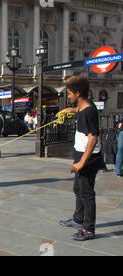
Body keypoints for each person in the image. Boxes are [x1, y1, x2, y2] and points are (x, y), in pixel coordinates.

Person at [59, 76, 105, 241]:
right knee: (78, 189)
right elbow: (80, 110)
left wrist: (82, 162)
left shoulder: (88, 111)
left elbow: (93, 138)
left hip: (88, 156)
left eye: (70, 93)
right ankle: (78, 220)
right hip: (80, 152)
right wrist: (68, 111)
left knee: (86, 193)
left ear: (78, 93)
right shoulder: (84, 106)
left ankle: (88, 229)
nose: (68, 96)